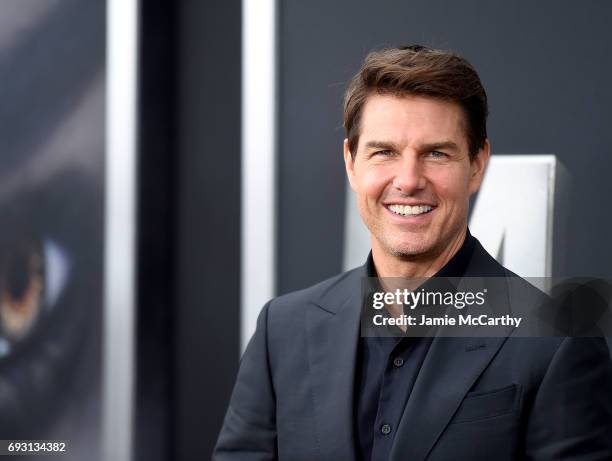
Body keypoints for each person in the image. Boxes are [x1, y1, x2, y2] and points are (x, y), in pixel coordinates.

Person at [213, 45, 612, 460]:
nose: (408, 180)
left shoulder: (558, 341)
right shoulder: (282, 331)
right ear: (351, 163)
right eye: (384, 152)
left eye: (435, 153)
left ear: (476, 164)